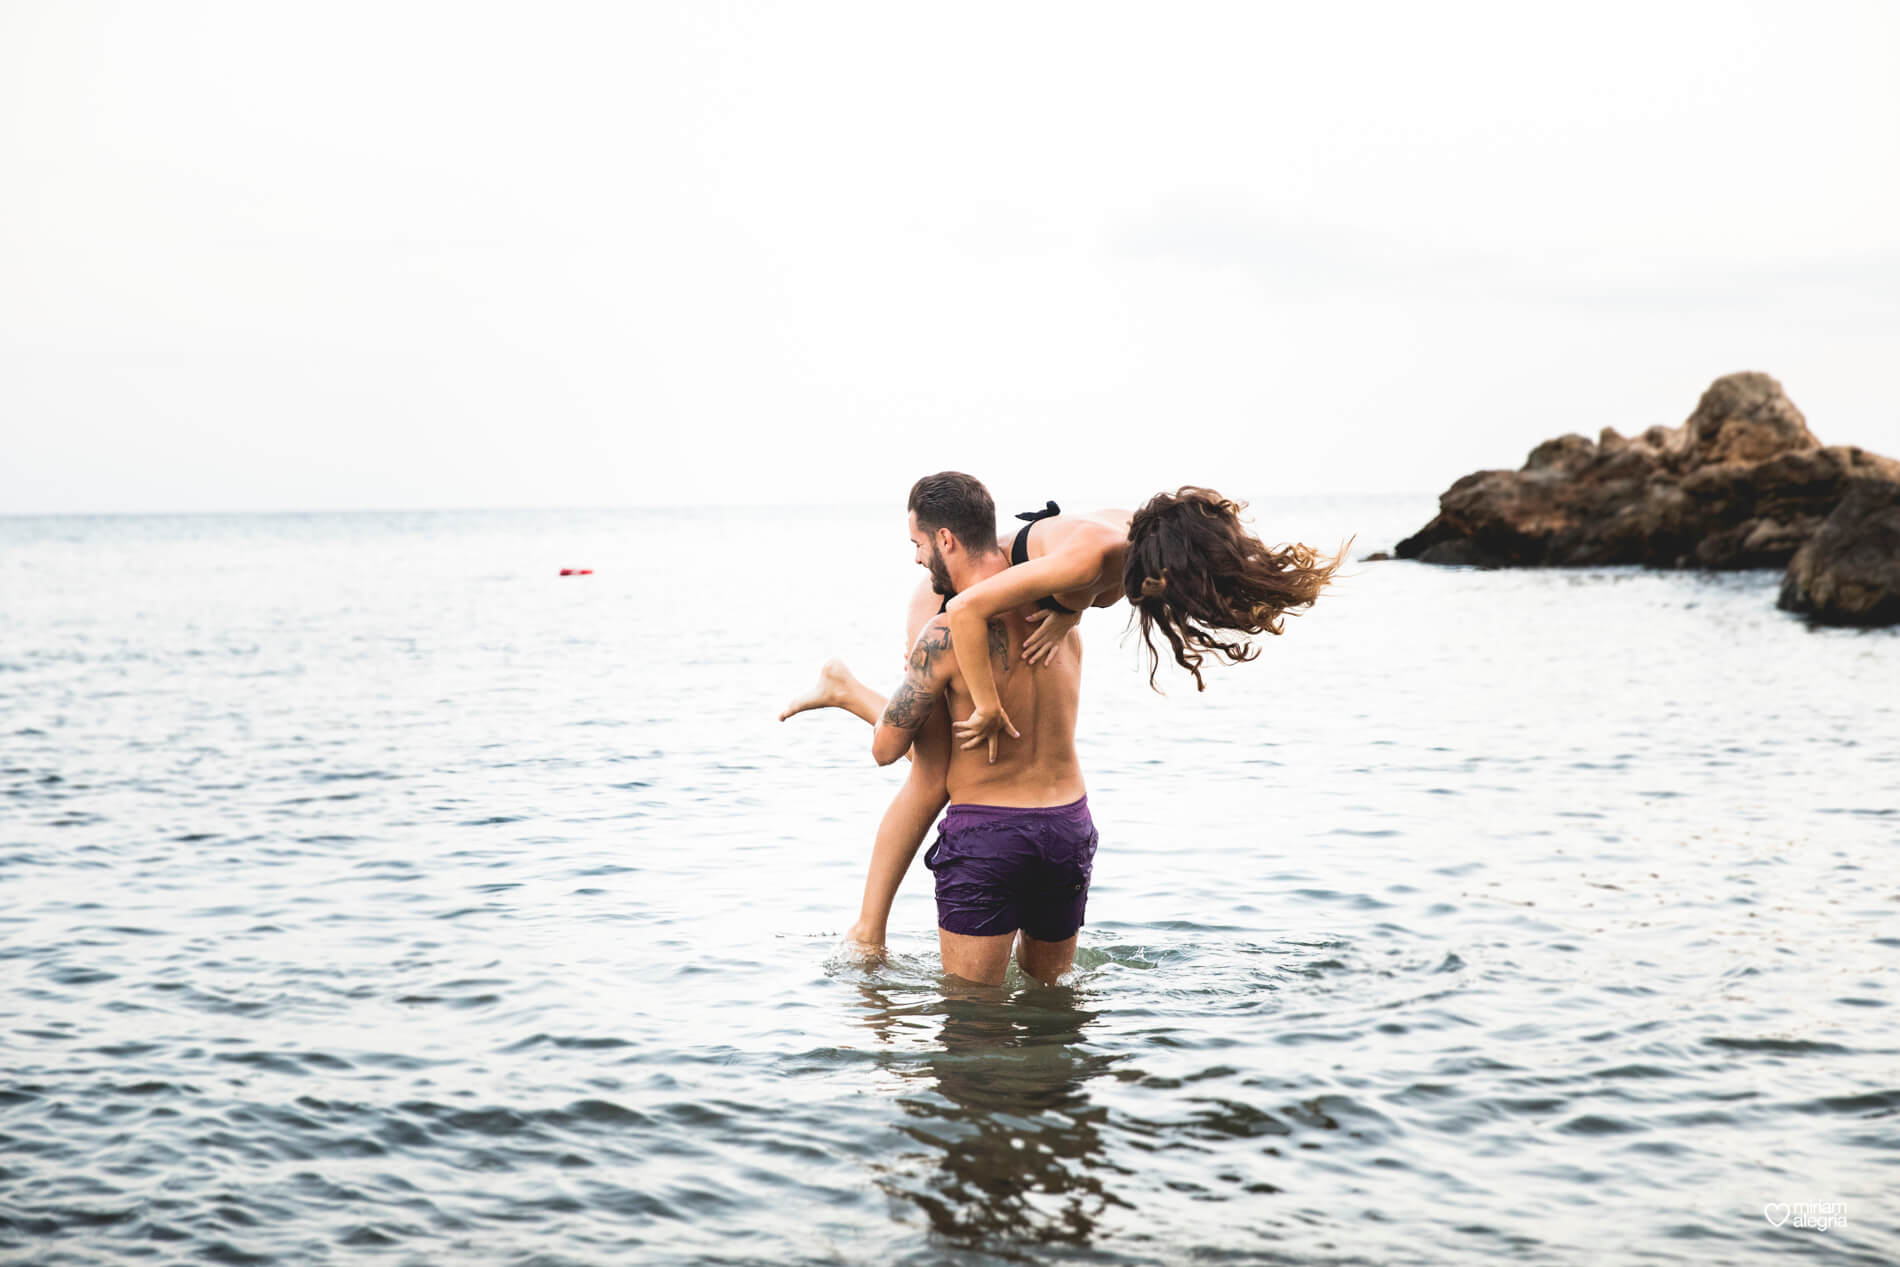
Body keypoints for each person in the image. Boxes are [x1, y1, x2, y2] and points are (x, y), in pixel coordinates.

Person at [785, 472, 1096, 986]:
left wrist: (913, 678)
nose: (916, 558)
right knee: (1053, 1005)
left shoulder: (945, 636)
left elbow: (887, 749)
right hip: (1068, 827)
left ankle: (844, 688)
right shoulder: (1059, 615)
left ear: (945, 539)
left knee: (972, 1023)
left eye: (917, 543)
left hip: (990, 837)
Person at [943, 487, 1349, 759]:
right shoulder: (1087, 563)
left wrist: (1070, 613)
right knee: (926, 767)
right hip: (954, 587)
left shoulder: (1145, 540)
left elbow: (1093, 577)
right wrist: (988, 706)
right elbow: (964, 610)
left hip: (1039, 583)